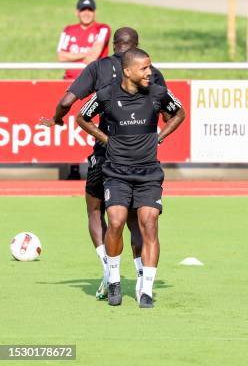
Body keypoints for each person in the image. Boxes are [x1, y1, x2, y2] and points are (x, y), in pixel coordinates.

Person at [41, 27, 167, 302]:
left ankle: (109, 271)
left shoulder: (98, 67)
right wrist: (155, 136)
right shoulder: (152, 72)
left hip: (105, 154)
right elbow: (166, 108)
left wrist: (57, 118)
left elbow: (67, 101)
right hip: (141, 158)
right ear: (136, 48)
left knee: (97, 211)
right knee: (139, 221)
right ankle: (139, 279)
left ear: (113, 46)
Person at [77, 48, 186, 308]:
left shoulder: (158, 92)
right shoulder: (106, 94)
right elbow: (82, 117)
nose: (150, 72)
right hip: (116, 171)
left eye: (150, 67)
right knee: (115, 221)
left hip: (148, 171)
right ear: (128, 71)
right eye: (144, 68)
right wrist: (107, 140)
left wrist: (159, 136)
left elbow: (180, 113)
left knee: (149, 222)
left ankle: (145, 289)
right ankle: (114, 278)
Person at [57, 0, 111, 80]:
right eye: (83, 10)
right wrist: (85, 54)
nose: (86, 13)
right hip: (69, 81)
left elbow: (93, 56)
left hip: (94, 82)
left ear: (95, 12)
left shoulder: (102, 29)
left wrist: (72, 56)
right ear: (77, 12)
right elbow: (61, 57)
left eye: (90, 10)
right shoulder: (68, 30)